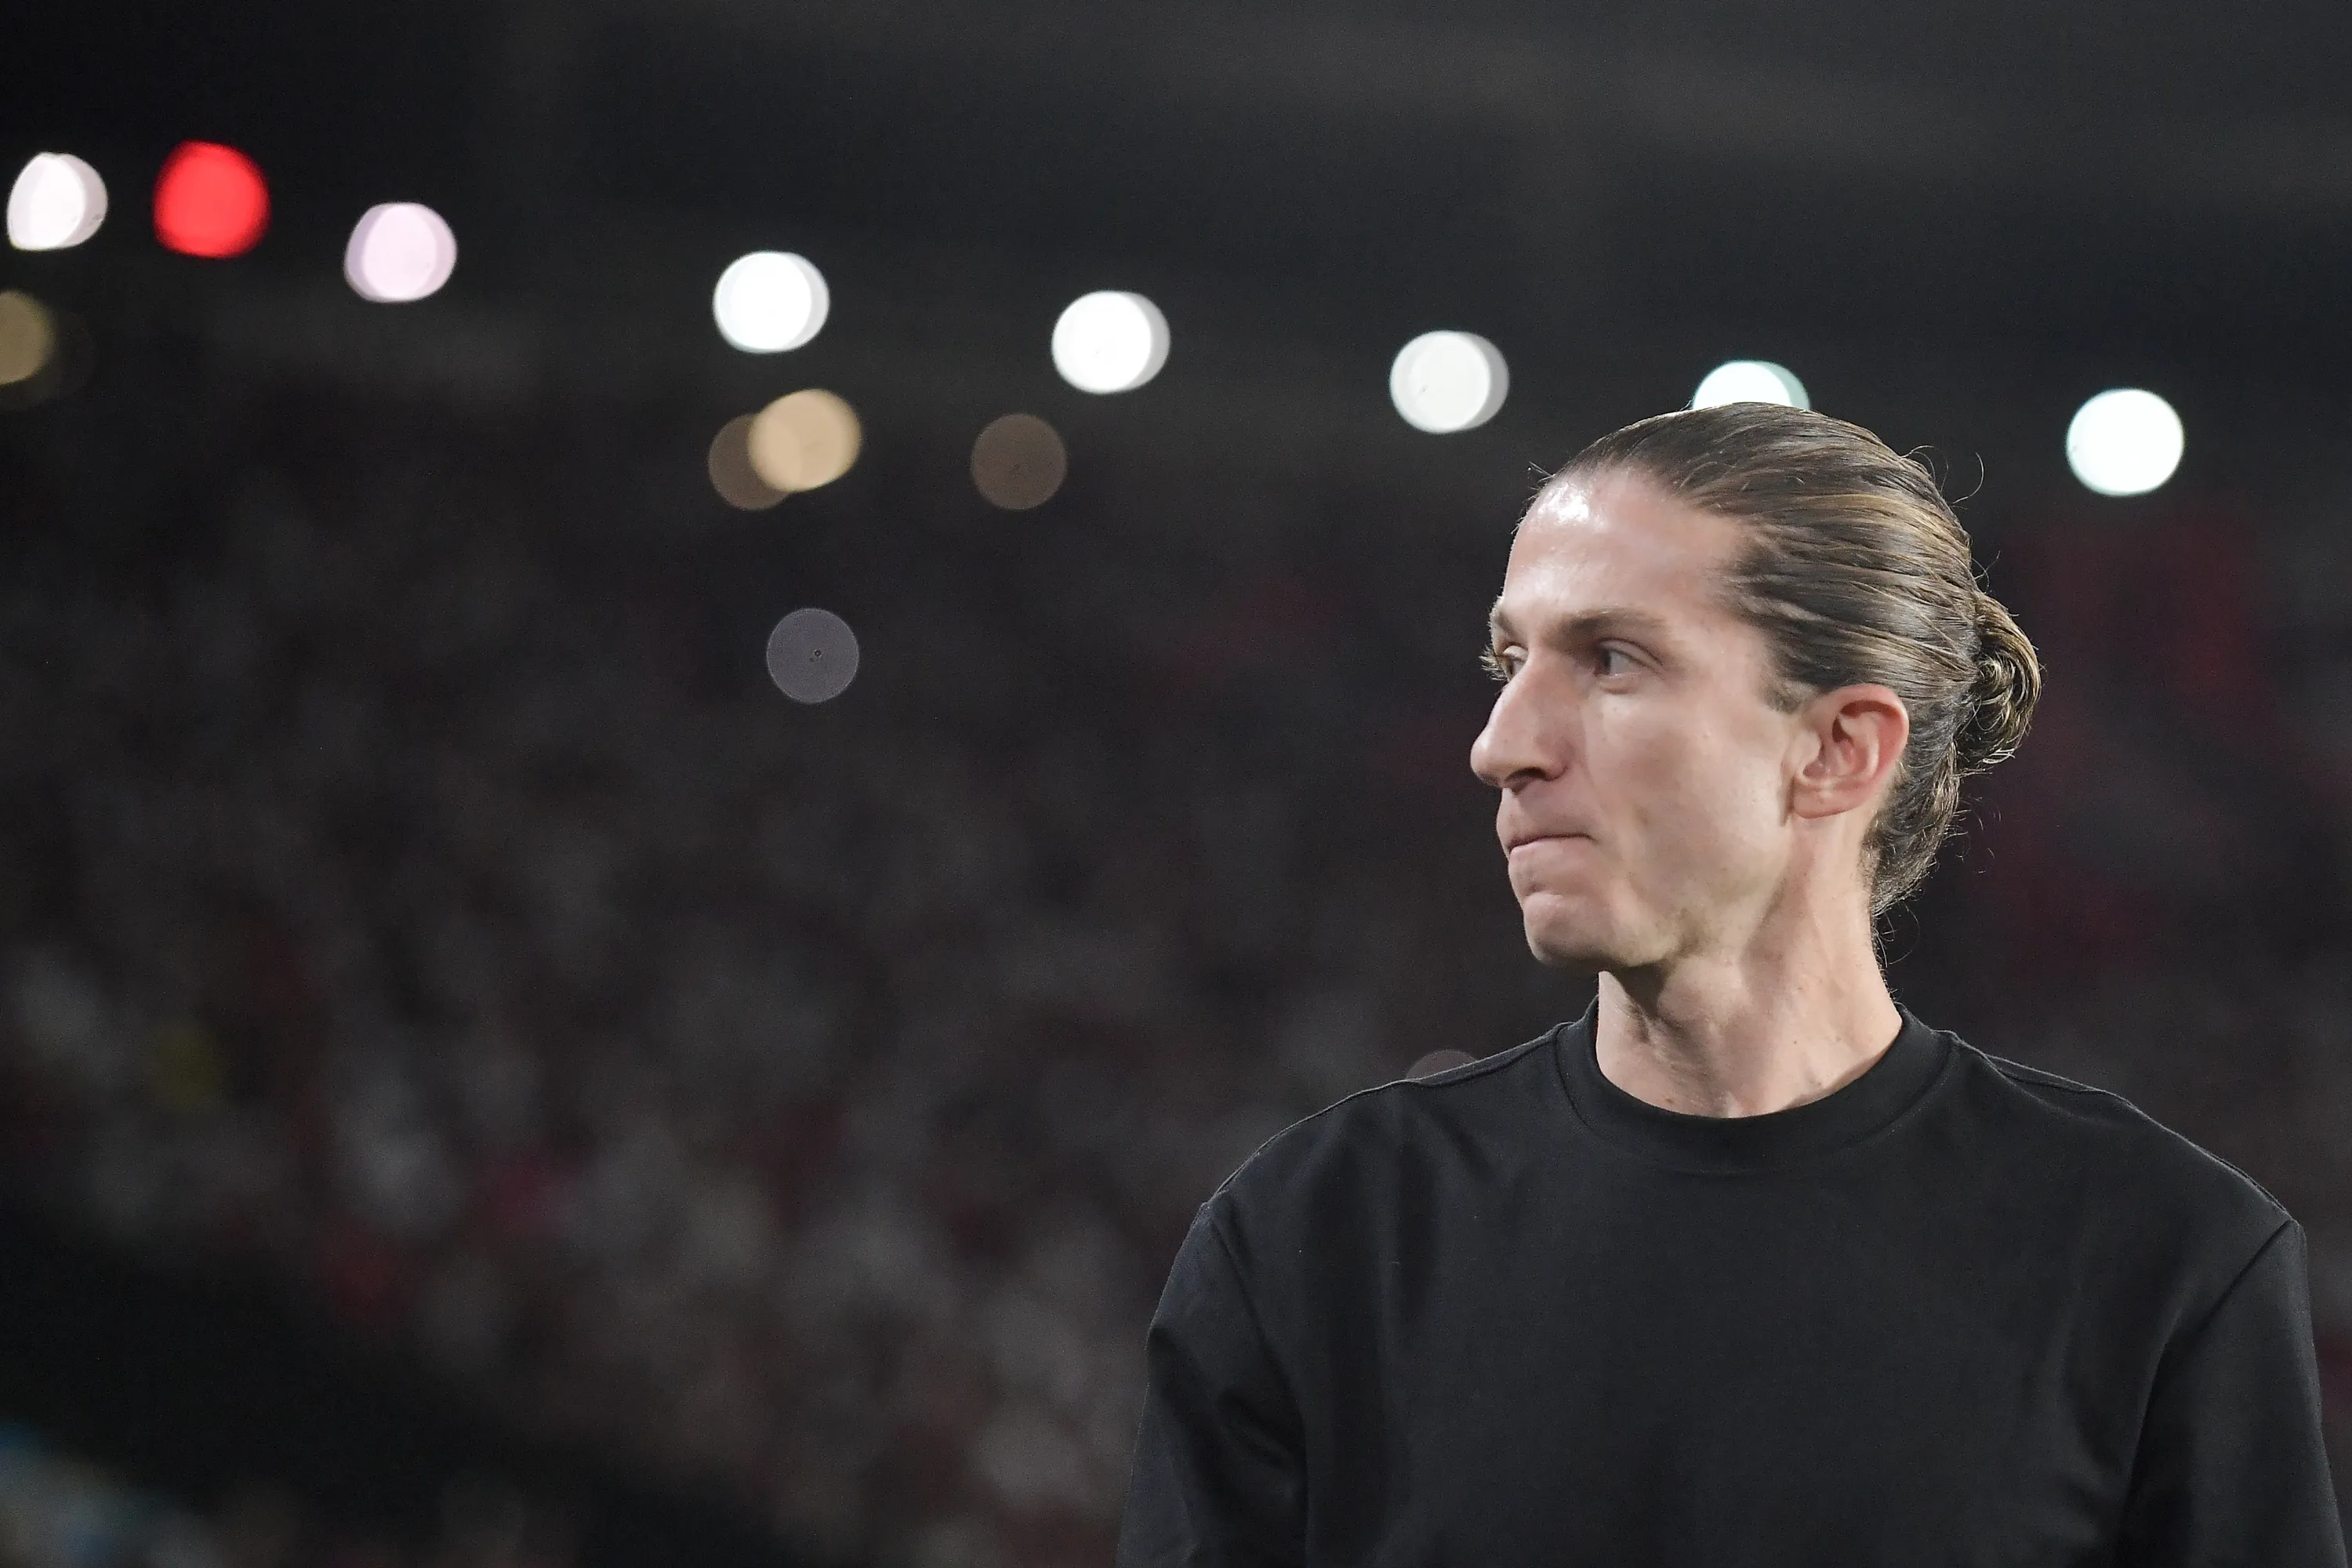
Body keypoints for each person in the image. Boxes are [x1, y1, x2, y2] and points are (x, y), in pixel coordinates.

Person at [1113, 403, 2348, 1565]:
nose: (1501, 745)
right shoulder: (1314, 1240)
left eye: (1609, 660)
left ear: (1836, 749)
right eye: (1509, 660)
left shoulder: (2166, 1265)